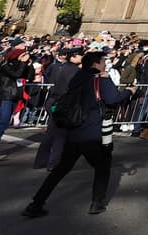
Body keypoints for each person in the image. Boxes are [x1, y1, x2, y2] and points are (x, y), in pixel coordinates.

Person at [22, 51, 137, 217]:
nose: (105, 64)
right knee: (103, 165)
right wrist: (130, 91)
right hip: (92, 129)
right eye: (103, 61)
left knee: (61, 168)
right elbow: (113, 99)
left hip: (74, 128)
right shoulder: (101, 79)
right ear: (95, 64)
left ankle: (36, 203)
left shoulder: (78, 77)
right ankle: (97, 202)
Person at [35, 47, 82, 170]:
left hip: (54, 102)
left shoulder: (64, 67)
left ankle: (41, 161)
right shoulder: (73, 70)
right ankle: (54, 163)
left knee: (51, 133)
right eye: (80, 55)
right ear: (74, 56)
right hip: (61, 104)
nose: (82, 57)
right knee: (60, 135)